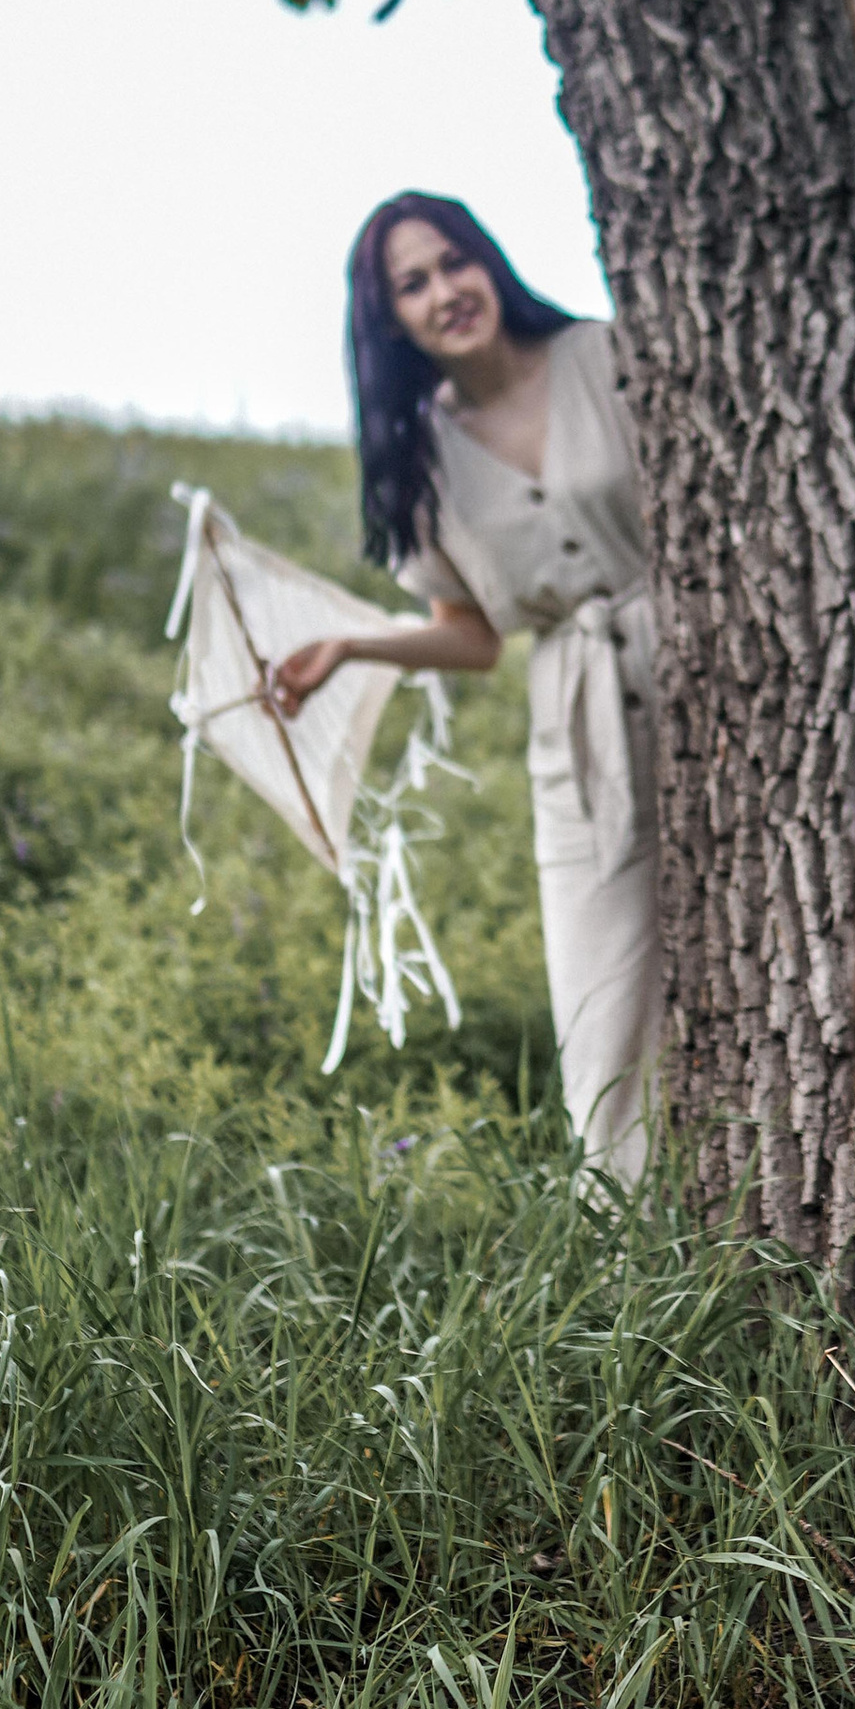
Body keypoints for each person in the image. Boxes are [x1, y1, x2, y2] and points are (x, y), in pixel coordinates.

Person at [270, 195, 662, 1177]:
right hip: (577, 730)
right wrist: (353, 648)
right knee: (599, 1004)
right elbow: (475, 637)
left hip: (707, 675)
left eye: (455, 262)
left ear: (489, 262)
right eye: (414, 284)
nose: (445, 292)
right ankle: (622, 1231)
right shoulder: (419, 459)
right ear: (390, 318)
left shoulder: (604, 355)